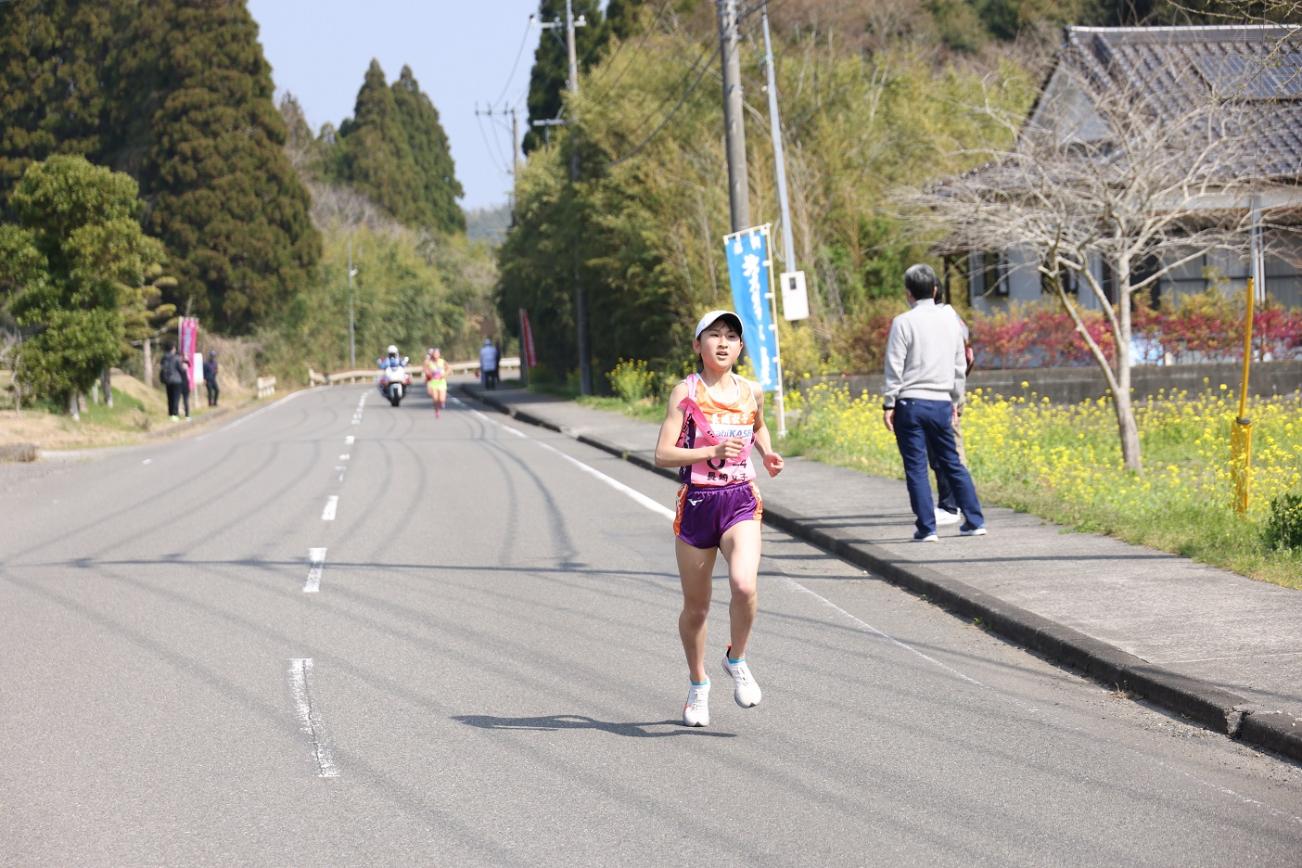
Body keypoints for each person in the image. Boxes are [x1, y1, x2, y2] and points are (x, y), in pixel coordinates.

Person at [654, 310, 784, 728]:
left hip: (741, 499)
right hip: (698, 504)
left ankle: (737, 658)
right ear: (698, 345)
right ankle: (698, 684)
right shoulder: (685, 393)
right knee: (697, 609)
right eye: (714, 335)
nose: (724, 342)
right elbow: (662, 454)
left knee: (745, 585)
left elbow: (757, 426)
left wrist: (766, 453)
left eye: (731, 336)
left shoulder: (751, 392)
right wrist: (707, 454)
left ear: (740, 347)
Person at [882, 264, 986, 542]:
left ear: (908, 293)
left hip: (910, 404)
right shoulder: (950, 321)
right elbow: (959, 364)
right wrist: (956, 400)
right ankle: (975, 520)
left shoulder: (903, 322)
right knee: (952, 461)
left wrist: (888, 403)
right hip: (942, 401)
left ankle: (927, 528)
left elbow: (895, 365)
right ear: (936, 289)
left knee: (916, 467)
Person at [931, 288, 974, 527]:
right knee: (947, 451)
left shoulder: (944, 320)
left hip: (947, 395)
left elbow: (959, 360)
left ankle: (956, 506)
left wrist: (954, 400)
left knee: (950, 452)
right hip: (951, 393)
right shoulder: (954, 318)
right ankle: (955, 504)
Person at [159, 342, 185, 421]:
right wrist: (184, 369)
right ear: (173, 348)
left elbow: (162, 367)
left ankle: (170, 414)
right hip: (177, 380)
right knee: (176, 397)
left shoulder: (164, 358)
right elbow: (181, 369)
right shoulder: (176, 357)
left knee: (169, 397)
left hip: (167, 380)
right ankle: (175, 414)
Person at [423, 347, 449, 418]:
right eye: (434, 354)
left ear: (439, 354)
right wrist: (429, 374)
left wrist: (444, 375)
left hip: (441, 382)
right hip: (433, 382)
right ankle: (436, 411)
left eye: (437, 354)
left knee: (441, 399)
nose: (435, 355)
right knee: (435, 399)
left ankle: (442, 403)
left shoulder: (442, 361)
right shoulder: (429, 362)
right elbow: (425, 369)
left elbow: (449, 369)